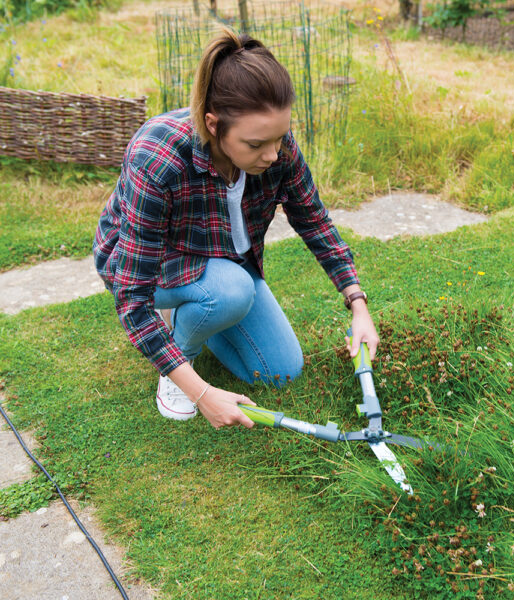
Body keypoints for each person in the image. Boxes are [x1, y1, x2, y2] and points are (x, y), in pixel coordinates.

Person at [93, 29, 379, 430]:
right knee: (231, 290)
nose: (273, 154)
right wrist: (202, 393)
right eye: (256, 144)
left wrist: (358, 305)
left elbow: (314, 221)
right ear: (213, 124)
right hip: (150, 263)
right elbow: (132, 296)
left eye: (279, 138)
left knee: (280, 372)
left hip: (222, 261)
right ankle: (180, 360)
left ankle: (197, 314)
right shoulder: (157, 158)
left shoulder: (276, 150)